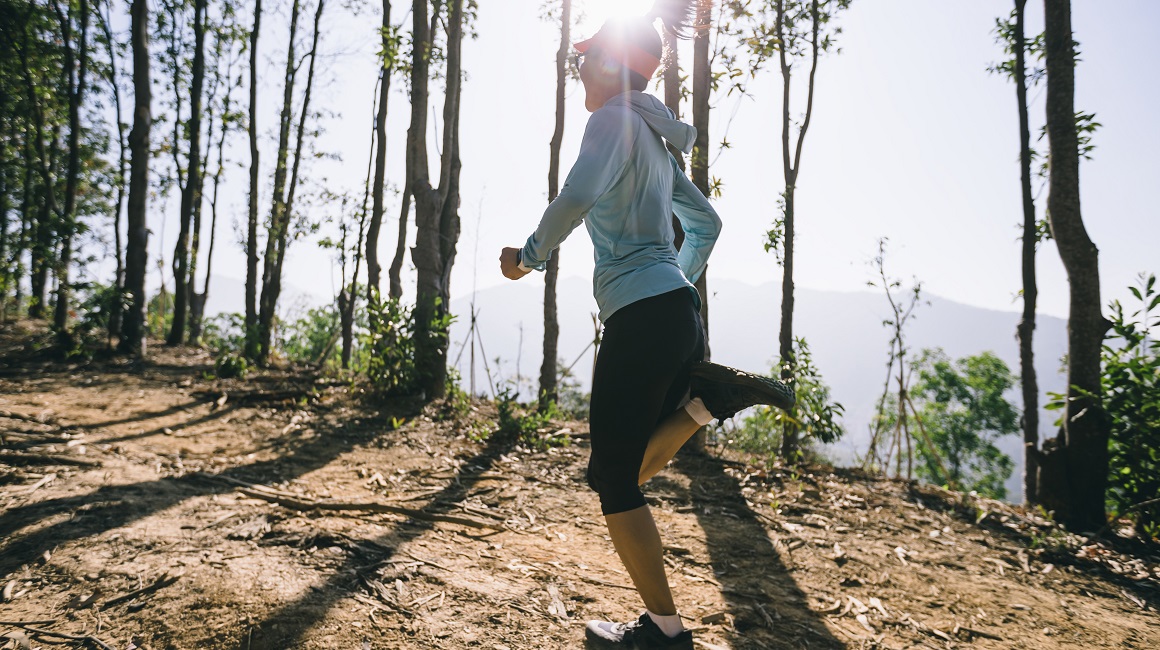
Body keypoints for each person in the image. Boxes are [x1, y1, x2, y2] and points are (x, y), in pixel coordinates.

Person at [498, 2, 794, 647]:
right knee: (616, 471)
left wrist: (528, 257)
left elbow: (575, 198)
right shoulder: (656, 141)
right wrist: (675, 284)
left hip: (641, 315)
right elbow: (708, 225)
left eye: (584, 62)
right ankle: (706, 404)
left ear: (611, 69)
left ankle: (664, 633)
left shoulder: (611, 122)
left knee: (613, 481)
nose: (579, 72)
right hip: (677, 311)